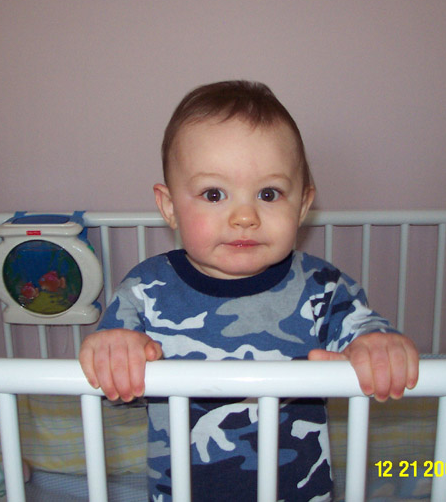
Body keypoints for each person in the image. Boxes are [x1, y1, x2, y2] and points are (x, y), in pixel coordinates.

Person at [79, 80, 419, 501]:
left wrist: (377, 346)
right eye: (214, 194)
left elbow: (363, 332)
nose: (245, 216)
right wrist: (112, 353)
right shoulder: (145, 290)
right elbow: (115, 389)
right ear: (169, 207)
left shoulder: (324, 288)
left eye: (268, 193)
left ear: (302, 204)